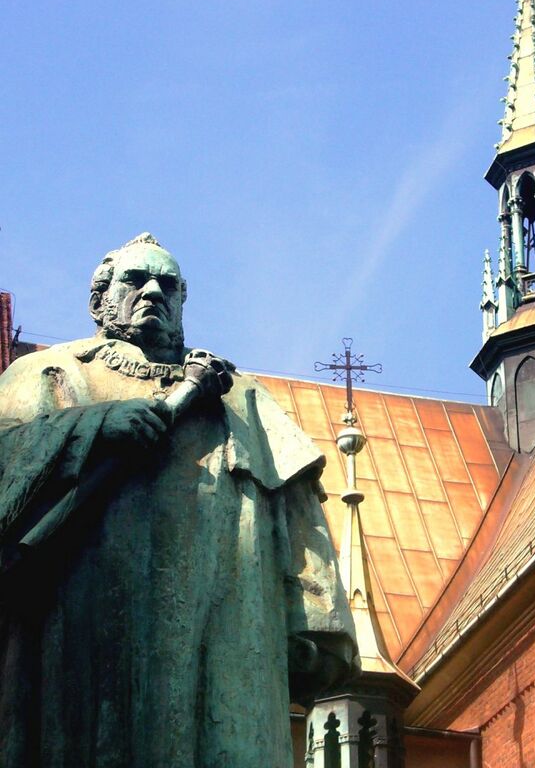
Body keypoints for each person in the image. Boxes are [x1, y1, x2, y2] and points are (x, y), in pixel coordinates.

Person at [0, 233, 357, 768]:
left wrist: (312, 623)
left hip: (225, 637)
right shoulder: (48, 373)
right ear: (99, 300)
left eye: (167, 285)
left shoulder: (241, 398)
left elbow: (298, 515)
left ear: (182, 301)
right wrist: (94, 425)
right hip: (84, 629)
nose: (152, 292)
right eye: (135, 280)